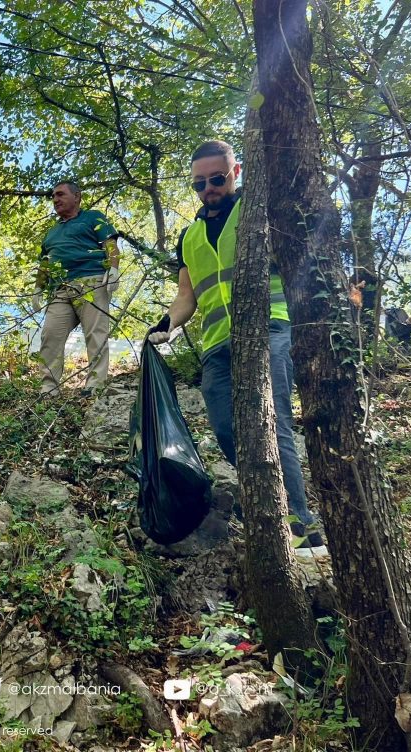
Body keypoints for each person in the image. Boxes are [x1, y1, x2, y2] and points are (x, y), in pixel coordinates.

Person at [147, 140, 326, 557]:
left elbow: (298, 259)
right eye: (199, 184)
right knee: (229, 431)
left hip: (268, 330)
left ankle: (302, 527)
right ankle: (271, 509)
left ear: (236, 172)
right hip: (216, 346)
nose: (208, 188)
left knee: (274, 423)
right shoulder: (189, 236)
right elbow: (187, 297)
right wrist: (167, 327)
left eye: (216, 178)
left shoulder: (258, 211)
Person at [33, 181, 120, 396]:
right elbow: (45, 262)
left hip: (91, 281)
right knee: (50, 335)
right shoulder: (51, 232)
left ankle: (95, 384)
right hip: (60, 290)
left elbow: (110, 244)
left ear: (77, 196)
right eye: (53, 196)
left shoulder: (93, 217)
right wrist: (38, 288)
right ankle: (48, 388)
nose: (55, 199)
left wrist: (114, 269)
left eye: (60, 194)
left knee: (96, 334)